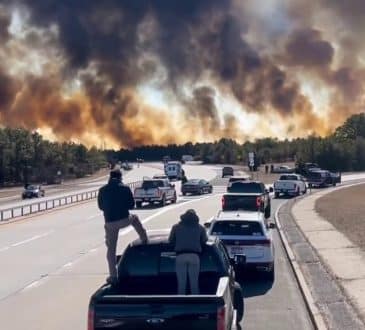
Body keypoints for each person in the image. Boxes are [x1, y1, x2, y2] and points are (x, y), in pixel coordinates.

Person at [98, 168, 147, 284]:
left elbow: (100, 207)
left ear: (110, 177)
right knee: (135, 218)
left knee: (111, 250)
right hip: (124, 219)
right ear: (120, 177)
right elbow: (131, 204)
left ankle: (113, 276)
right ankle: (144, 238)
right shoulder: (125, 188)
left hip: (110, 223)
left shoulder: (102, 190)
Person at [168, 209, 208, 295]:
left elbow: (170, 240)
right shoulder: (200, 228)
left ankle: (181, 303)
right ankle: (195, 303)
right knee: (194, 283)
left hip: (180, 256)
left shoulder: (176, 227)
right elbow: (205, 240)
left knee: (181, 284)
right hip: (194, 256)